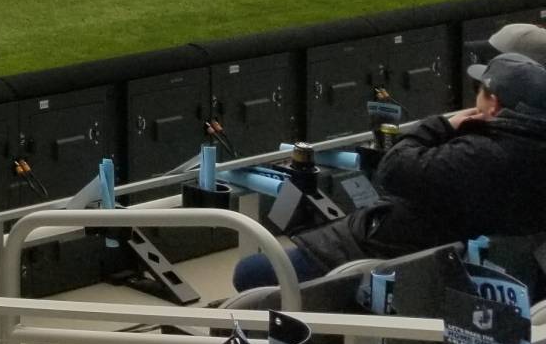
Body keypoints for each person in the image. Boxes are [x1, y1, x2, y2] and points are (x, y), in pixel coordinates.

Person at [232, 50, 546, 291]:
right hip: (421, 261)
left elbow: (393, 169)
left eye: (480, 90)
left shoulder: (480, 155)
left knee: (248, 272)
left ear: (492, 105)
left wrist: (441, 126)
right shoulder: (516, 154)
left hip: (375, 254)